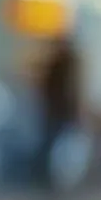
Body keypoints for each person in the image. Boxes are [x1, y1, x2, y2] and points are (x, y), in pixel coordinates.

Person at [38, 35, 81, 186]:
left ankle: (55, 176)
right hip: (59, 110)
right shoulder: (67, 65)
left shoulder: (62, 65)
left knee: (57, 143)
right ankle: (55, 176)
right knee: (57, 143)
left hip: (59, 110)